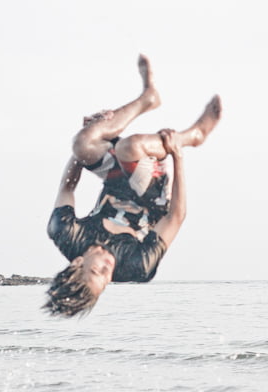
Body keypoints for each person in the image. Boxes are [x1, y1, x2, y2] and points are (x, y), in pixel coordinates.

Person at [44, 55, 221, 317]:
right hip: (152, 194)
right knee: (130, 147)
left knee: (82, 144)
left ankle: (148, 98)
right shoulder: (136, 266)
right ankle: (192, 136)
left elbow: (67, 187)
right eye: (106, 280)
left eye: (98, 271)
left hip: (115, 179)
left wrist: (92, 133)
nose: (109, 271)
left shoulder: (65, 233)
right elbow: (176, 217)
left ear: (78, 263)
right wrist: (177, 155)